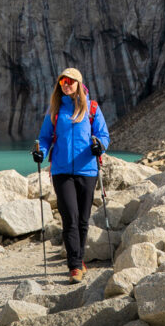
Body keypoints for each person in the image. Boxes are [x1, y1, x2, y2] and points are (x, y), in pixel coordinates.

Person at [32, 67, 110, 282]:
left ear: (78, 83)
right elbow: (45, 138)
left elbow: (103, 135)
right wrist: (41, 152)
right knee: (70, 218)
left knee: (83, 220)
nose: (66, 84)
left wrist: (100, 147)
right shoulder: (55, 111)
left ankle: (80, 259)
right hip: (61, 171)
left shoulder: (92, 108)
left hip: (88, 170)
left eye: (70, 81)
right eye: (62, 81)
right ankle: (74, 266)